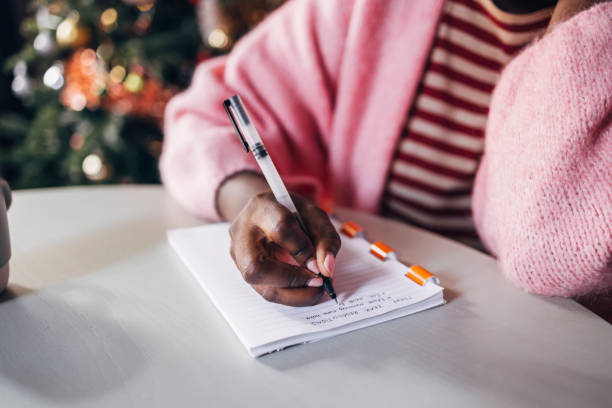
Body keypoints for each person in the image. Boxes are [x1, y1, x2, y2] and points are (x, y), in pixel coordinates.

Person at [160, 0, 612, 312]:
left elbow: (551, 242)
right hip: (378, 327)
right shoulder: (369, 10)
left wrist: (582, 23)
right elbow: (200, 116)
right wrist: (256, 203)